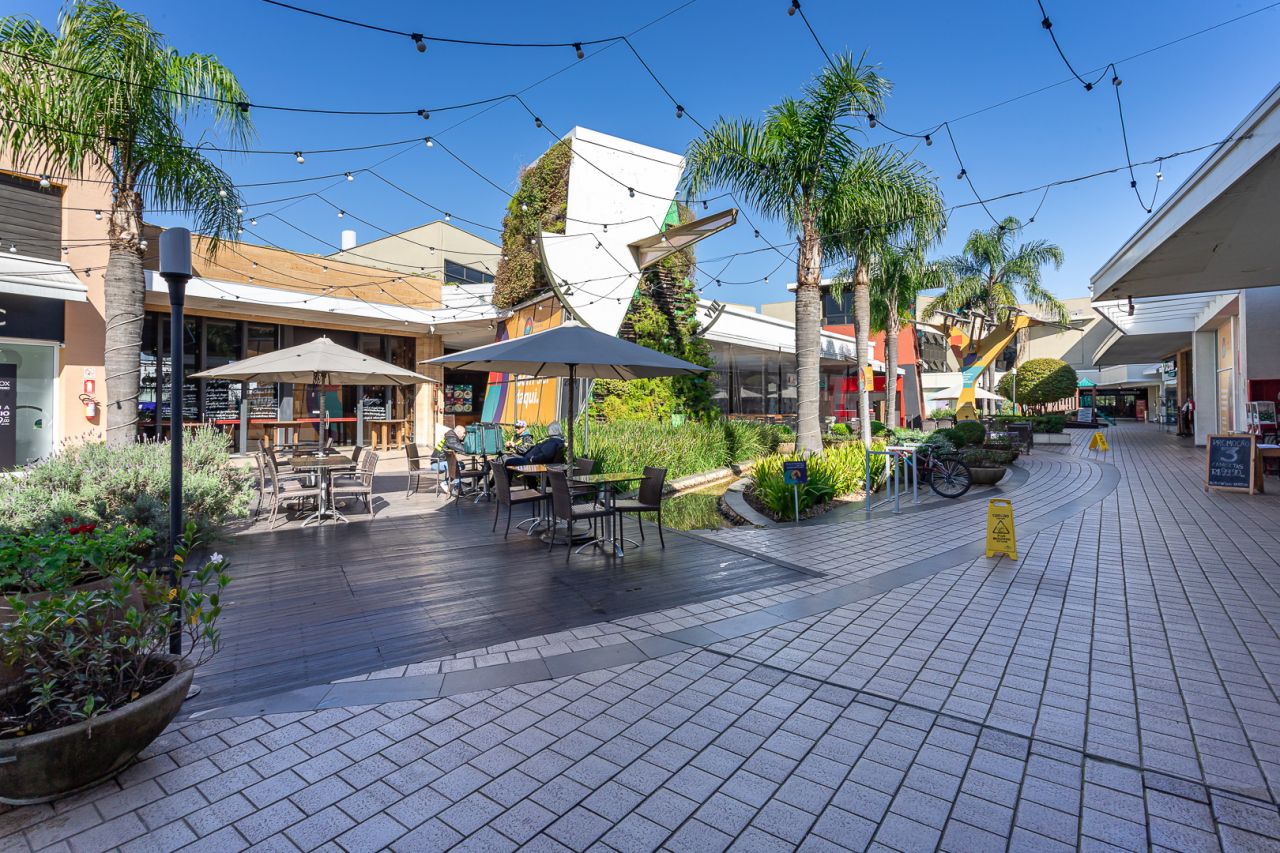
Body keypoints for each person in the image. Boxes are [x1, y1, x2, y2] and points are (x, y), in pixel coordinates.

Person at [430, 425, 469, 493]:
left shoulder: (452, 437)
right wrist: (470, 450)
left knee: (461, 465)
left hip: (441, 461)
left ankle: (446, 482)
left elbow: (459, 447)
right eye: (464, 433)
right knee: (456, 465)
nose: (464, 435)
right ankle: (457, 489)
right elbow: (459, 448)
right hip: (437, 463)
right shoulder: (451, 438)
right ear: (458, 432)